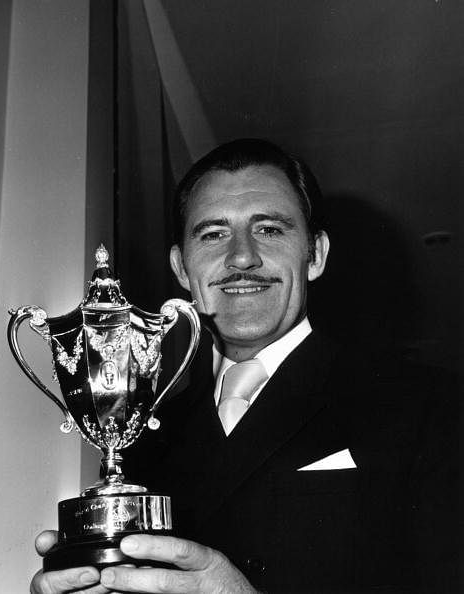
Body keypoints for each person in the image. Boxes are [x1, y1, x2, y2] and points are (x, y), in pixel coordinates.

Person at [31, 139, 458, 594]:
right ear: (181, 267)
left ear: (315, 255)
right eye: (213, 234)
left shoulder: (429, 405)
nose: (241, 257)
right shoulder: (143, 439)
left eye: (270, 229)